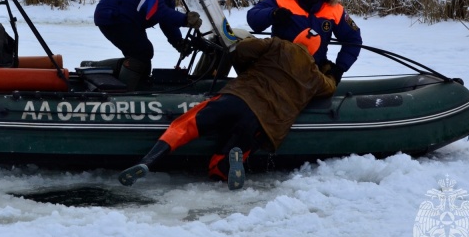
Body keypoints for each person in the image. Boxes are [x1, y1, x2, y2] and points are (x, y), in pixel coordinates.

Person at [118, 34, 340, 190]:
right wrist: (329, 70)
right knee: (221, 162)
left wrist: (247, 62)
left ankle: (148, 161)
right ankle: (228, 163)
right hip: (263, 122)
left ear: (297, 39)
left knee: (185, 126)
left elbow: (242, 50)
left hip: (237, 97)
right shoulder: (314, 76)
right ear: (313, 51)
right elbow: (330, 87)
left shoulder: (277, 45)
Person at [246, 0, 362, 84]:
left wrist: (340, 67)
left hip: (313, 71)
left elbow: (353, 38)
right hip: (279, 67)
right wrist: (273, 14)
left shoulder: (335, 9)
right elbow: (252, 17)